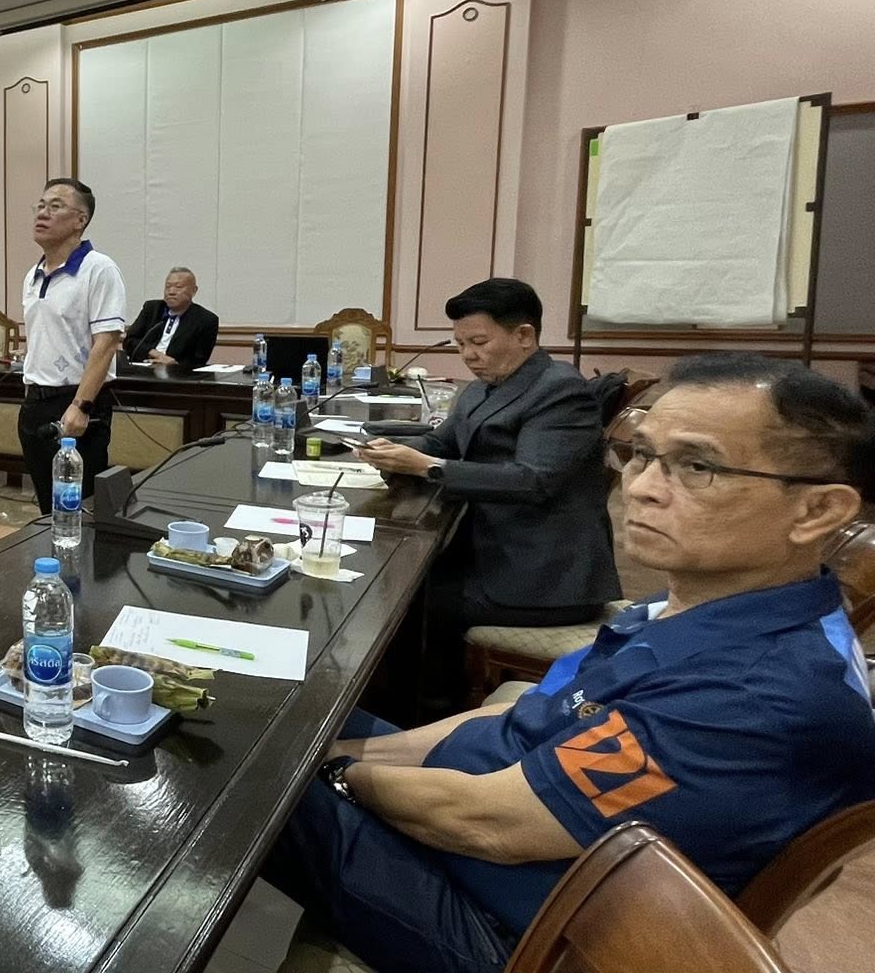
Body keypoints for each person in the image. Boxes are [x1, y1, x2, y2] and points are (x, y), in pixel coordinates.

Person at [266, 352, 875, 973]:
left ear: (817, 511)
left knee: (239, 779)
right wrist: (330, 752)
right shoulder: (693, 605)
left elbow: (485, 823)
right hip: (486, 832)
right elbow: (529, 716)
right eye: (641, 454)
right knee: (274, 706)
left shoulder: (754, 696)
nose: (641, 487)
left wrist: (330, 773)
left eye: (698, 466)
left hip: (517, 933)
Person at [356, 278, 618, 713]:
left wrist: (425, 466)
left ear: (524, 335)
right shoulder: (481, 387)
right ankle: (393, 705)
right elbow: (440, 443)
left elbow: (534, 480)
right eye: (460, 344)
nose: (468, 355)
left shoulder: (560, 390)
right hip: (491, 548)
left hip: (544, 574)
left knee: (409, 600)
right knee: (397, 582)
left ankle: (422, 714)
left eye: (478, 342)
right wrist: (389, 452)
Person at [18, 177, 127, 514]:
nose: (43, 213)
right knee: (47, 508)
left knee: (79, 509)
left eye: (55, 206)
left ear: (81, 220)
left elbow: (106, 343)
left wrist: (82, 406)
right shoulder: (33, 274)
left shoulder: (99, 269)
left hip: (77, 404)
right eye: (40, 206)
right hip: (35, 403)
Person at [123, 266, 217, 367]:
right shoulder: (152, 309)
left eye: (178, 287)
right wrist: (155, 353)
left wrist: (174, 364)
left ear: (194, 290)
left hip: (178, 373)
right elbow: (129, 342)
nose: (171, 292)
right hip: (142, 368)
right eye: (168, 287)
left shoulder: (206, 320)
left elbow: (198, 360)